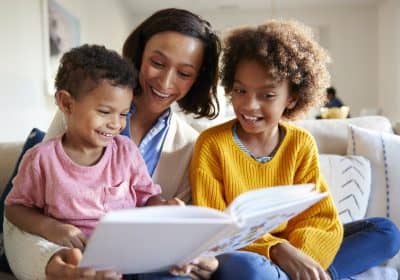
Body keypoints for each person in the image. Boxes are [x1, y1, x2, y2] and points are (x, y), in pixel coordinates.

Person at [3, 8, 220, 280]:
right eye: (158, 63)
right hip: (73, 255)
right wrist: (52, 248)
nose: (165, 82)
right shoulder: (56, 140)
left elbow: (151, 202)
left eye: (184, 73)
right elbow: (19, 211)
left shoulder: (183, 146)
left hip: (132, 258)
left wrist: (170, 216)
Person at [190, 20, 400, 280]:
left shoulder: (300, 142)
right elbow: (215, 229)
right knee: (249, 269)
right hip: (245, 253)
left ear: (292, 97)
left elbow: (319, 217)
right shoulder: (212, 144)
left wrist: (298, 256)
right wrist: (277, 249)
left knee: (386, 232)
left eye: (267, 95)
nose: (249, 105)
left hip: (294, 250)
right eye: (240, 90)